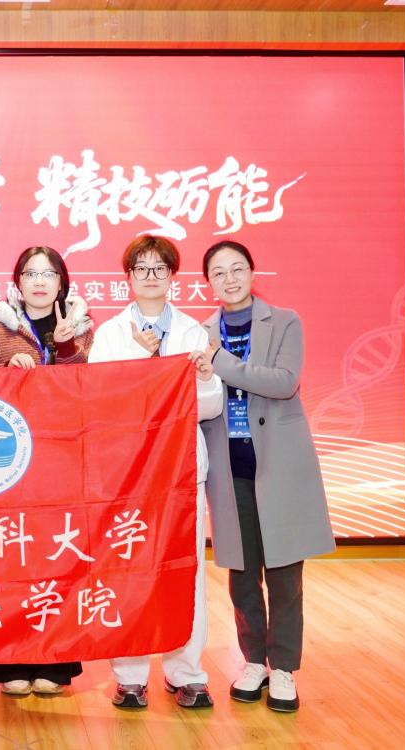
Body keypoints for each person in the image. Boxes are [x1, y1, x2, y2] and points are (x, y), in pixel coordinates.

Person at [189, 240, 335, 714]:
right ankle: (254, 661)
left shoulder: (285, 321)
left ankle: (284, 667)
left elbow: (283, 382)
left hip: (280, 464)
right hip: (229, 466)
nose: (229, 279)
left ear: (253, 273)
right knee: (242, 574)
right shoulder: (199, 333)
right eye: (218, 272)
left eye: (237, 269)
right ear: (207, 282)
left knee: (286, 574)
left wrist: (221, 363)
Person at [89, 234, 223, 711]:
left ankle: (187, 673)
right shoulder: (110, 334)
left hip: (181, 472)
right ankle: (129, 677)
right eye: (141, 268)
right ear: (127, 277)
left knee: (185, 572)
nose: (150, 276)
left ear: (172, 277)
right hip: (128, 476)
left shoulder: (194, 333)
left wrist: (204, 377)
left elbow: (210, 406)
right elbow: (101, 401)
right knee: (126, 570)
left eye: (159, 268)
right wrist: (143, 363)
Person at [0, 245, 93, 696]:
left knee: (59, 558)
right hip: (8, 462)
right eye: (30, 273)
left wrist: (64, 345)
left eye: (48, 274)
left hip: (63, 460)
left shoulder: (83, 327)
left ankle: (56, 664)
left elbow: (88, 385)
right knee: (11, 558)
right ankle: (11, 664)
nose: (39, 281)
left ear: (62, 282)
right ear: (17, 282)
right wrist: (7, 369)